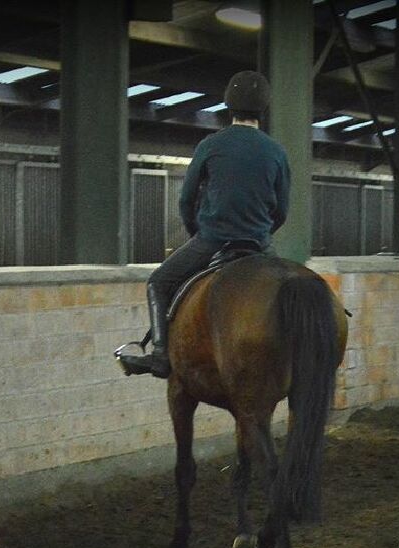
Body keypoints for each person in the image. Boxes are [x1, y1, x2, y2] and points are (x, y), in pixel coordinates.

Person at [117, 70, 290, 378]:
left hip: (213, 240)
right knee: (287, 293)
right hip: (260, 245)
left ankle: (158, 355)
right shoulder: (276, 151)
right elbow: (282, 211)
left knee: (159, 281)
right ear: (263, 108)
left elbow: (186, 201)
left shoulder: (211, 145)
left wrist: (199, 234)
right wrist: (259, 234)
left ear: (229, 105)